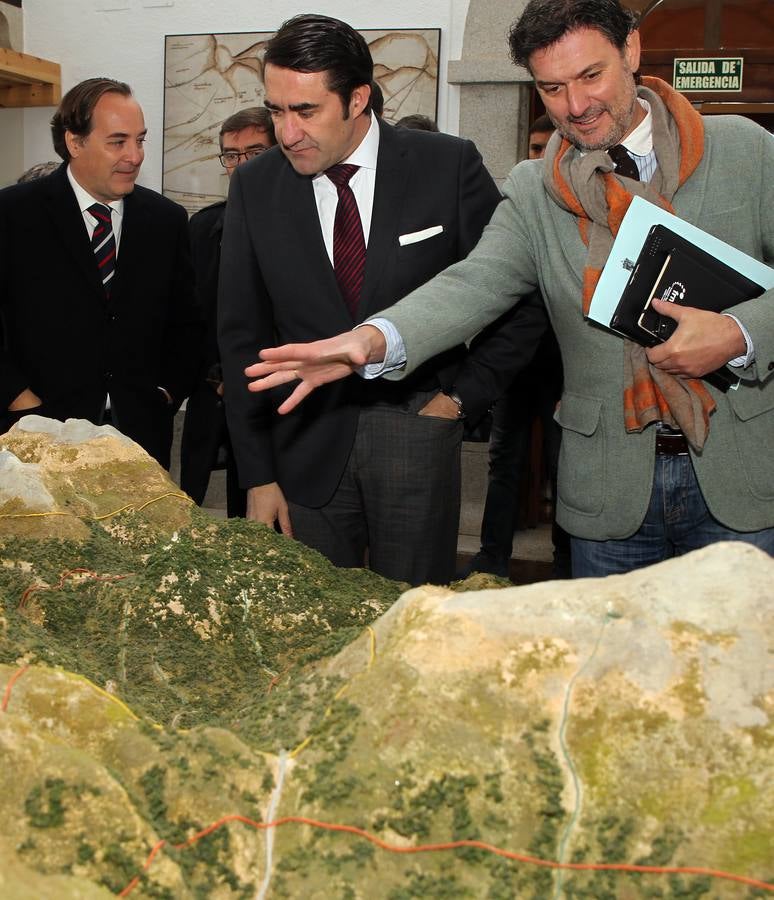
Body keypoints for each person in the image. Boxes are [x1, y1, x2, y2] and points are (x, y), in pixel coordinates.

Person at [243, 0, 774, 578]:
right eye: (550, 88)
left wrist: (739, 332)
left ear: (632, 52)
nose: (575, 106)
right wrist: (371, 340)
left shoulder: (743, 150)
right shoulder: (534, 189)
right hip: (609, 495)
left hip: (740, 477)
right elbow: (472, 284)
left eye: (590, 76)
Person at [217, 13, 510, 586]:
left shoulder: (446, 166)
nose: (287, 133)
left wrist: (459, 398)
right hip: (300, 451)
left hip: (418, 434)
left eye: (305, 111)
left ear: (358, 99)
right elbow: (240, 336)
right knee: (312, 638)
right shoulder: (257, 187)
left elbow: (513, 292)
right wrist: (257, 476)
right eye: (277, 110)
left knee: (413, 631)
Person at [0, 77, 201, 469]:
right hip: (34, 438)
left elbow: (187, 322)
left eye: (140, 140)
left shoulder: (166, 220)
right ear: (75, 142)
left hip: (140, 438)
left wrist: (165, 392)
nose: (135, 156)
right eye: (118, 141)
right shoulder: (12, 215)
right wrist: (22, 403)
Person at [464, 114, 570, 580]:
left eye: (549, 146)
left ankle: (567, 562)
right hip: (512, 368)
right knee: (503, 465)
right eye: (533, 146)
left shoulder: (582, 207)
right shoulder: (510, 206)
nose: (539, 155)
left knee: (564, 469)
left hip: (567, 369)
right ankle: (492, 559)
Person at [179, 107, 276, 516]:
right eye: (232, 155)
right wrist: (213, 374)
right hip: (211, 395)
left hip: (274, 400)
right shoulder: (202, 228)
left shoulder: (300, 224)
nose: (241, 165)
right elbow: (187, 313)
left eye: (255, 152)